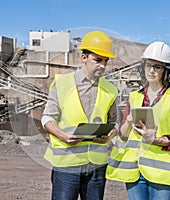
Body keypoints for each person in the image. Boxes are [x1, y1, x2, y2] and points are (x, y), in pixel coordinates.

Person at [41, 30, 119, 200]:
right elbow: (47, 117)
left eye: (106, 61)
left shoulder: (111, 89)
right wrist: (62, 135)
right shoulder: (62, 83)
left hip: (97, 165)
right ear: (84, 57)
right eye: (97, 60)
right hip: (67, 163)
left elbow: (115, 123)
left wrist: (108, 136)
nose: (102, 66)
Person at [106, 41, 170, 200]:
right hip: (135, 172)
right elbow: (123, 135)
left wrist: (155, 140)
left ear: (167, 71)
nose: (151, 70)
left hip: (162, 174)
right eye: (148, 65)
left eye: (158, 67)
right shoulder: (135, 96)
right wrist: (129, 122)